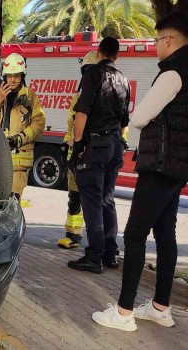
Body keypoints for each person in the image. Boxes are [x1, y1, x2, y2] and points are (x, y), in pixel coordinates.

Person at [92, 12, 188, 332]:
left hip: (158, 168)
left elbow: (140, 117)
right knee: (165, 235)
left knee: (134, 236)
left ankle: (123, 313)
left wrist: (141, 115)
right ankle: (160, 307)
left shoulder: (172, 73)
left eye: (159, 40)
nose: (157, 46)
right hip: (176, 169)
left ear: (170, 41)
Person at [66, 37, 130, 274]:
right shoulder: (124, 80)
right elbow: (125, 120)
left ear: (99, 52)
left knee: (91, 201)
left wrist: (78, 146)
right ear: (117, 55)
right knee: (107, 199)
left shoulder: (92, 75)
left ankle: (94, 256)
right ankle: (111, 253)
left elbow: (81, 115)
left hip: (96, 146)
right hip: (114, 144)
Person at [0, 52, 46, 199]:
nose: (13, 80)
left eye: (16, 76)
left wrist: (19, 139)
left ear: (22, 76)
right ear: (4, 76)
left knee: (14, 202)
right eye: (9, 76)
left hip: (19, 162)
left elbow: (39, 124)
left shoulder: (30, 96)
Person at [57, 51, 98, 249]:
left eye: (91, 70)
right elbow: (71, 125)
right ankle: (73, 235)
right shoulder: (78, 97)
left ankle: (97, 242)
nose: (88, 74)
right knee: (74, 196)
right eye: (86, 71)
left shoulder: (103, 96)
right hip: (76, 153)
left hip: (93, 153)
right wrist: (67, 145)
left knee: (93, 199)